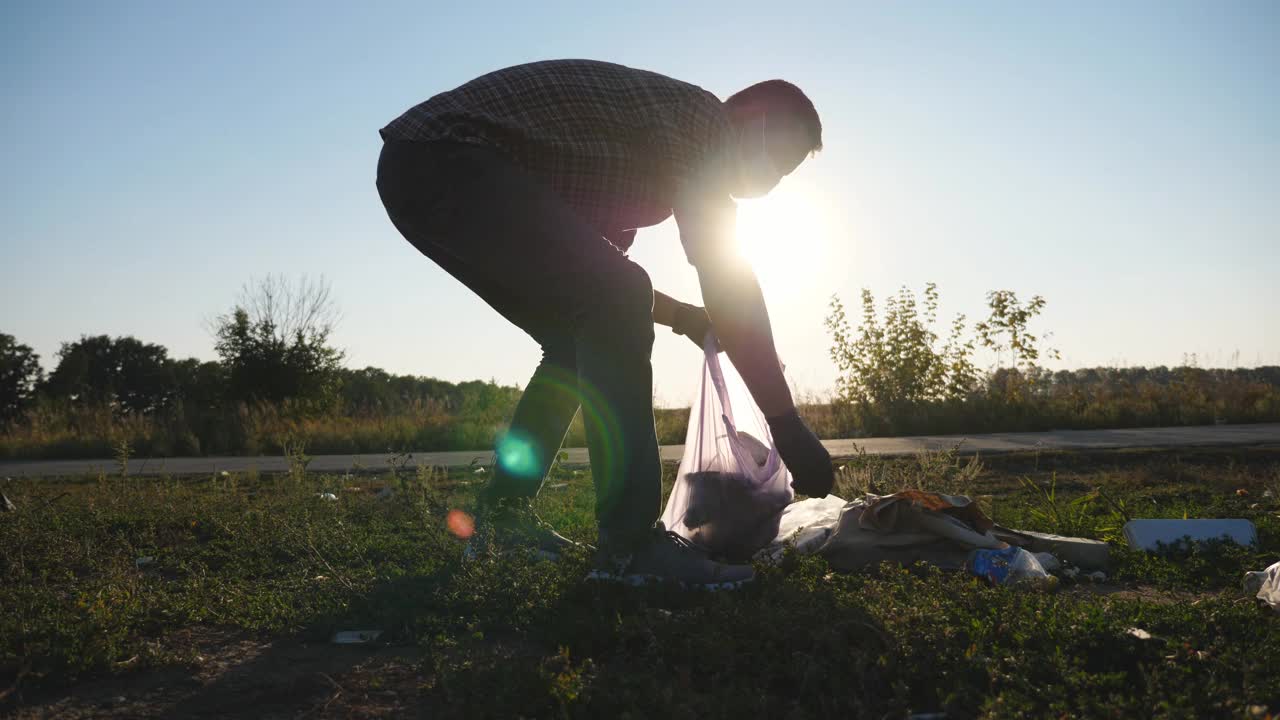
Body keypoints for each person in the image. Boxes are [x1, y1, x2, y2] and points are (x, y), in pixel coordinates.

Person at [375, 59, 834, 588]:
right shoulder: (702, 121)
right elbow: (722, 274)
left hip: (419, 169)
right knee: (613, 300)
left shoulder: (637, 169)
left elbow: (599, 284)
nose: (771, 182)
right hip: (450, 157)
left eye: (785, 174)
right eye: (777, 158)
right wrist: (785, 423)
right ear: (747, 117)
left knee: (577, 336)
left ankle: (502, 523)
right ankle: (630, 548)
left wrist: (684, 317)